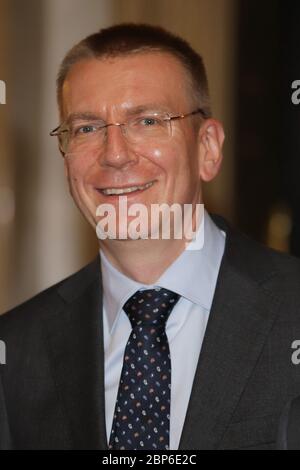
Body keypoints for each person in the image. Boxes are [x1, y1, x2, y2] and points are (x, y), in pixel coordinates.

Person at [1, 23, 300, 451]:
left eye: (147, 120)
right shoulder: (15, 352)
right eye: (87, 128)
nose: (115, 153)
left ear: (209, 149)